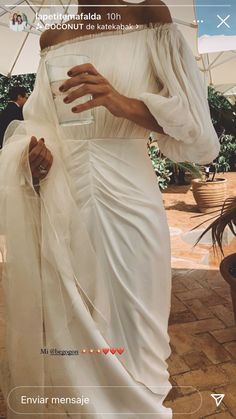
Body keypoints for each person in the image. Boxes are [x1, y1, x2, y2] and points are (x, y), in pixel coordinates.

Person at [0, 1, 220, 418]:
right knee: (76, 324)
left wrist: (123, 103)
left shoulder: (149, 16)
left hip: (130, 196)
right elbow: (39, 126)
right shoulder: (51, 38)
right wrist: (31, 160)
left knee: (139, 331)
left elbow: (197, 130)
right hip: (65, 201)